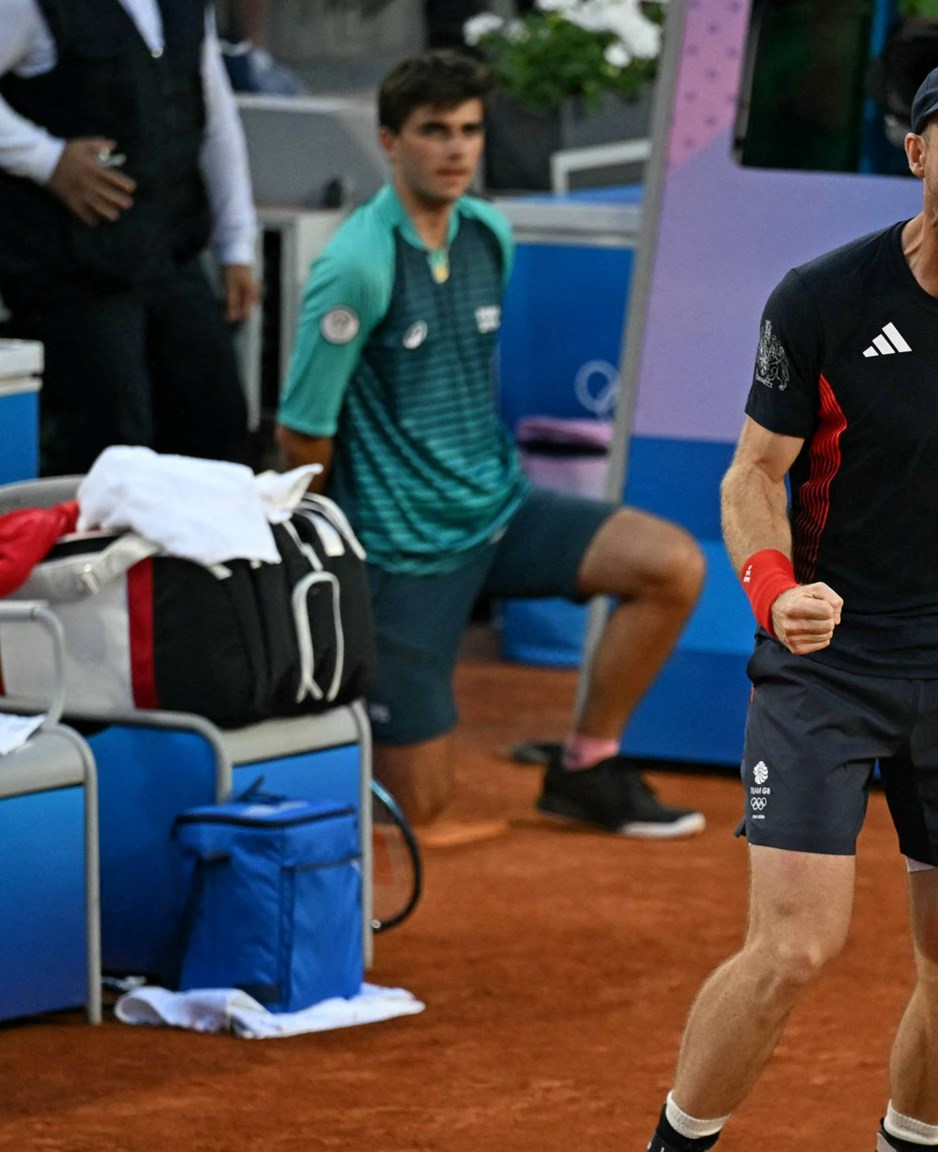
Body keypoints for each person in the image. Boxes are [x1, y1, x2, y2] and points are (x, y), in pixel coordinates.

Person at [646, 58, 938, 1152]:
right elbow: (752, 476)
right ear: (917, 159)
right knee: (794, 947)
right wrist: (775, 592)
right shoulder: (824, 300)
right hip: (830, 666)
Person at [276, 51, 706, 846]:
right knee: (416, 810)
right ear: (390, 141)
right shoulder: (356, 265)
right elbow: (302, 433)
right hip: (403, 554)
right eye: (434, 131)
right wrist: (333, 572)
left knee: (670, 566)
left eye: (469, 131)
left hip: (500, 511)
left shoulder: (489, 233)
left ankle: (583, 767)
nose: (456, 149)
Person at [0, 0, 260, 476]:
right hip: (74, 272)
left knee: (216, 422)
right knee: (109, 446)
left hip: (172, 252)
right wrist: (45, 158)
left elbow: (214, 114)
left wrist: (236, 243)